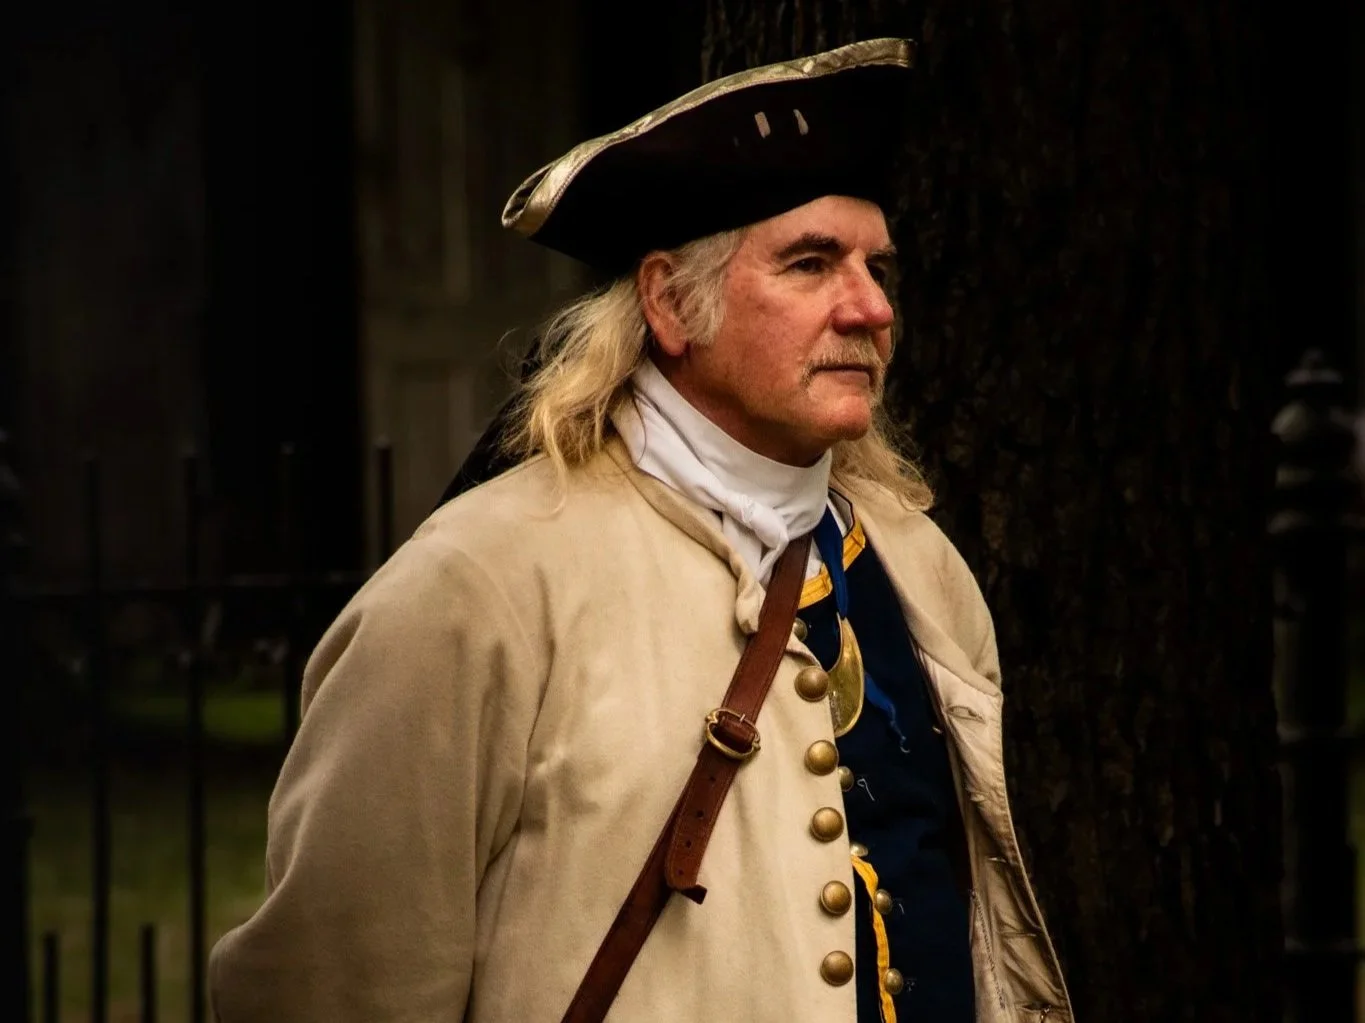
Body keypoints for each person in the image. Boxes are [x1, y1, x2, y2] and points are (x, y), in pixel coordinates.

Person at [209, 37, 1073, 1023]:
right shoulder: (479, 587)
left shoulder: (923, 569)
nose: (871, 308)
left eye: (878, 268)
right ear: (670, 301)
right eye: (810, 264)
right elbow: (331, 991)